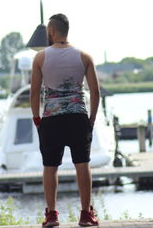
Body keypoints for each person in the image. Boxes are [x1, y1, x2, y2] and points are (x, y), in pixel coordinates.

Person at [30, 13, 100, 227]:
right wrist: (92, 119)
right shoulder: (84, 56)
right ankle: (86, 215)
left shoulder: (40, 57)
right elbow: (95, 92)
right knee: (82, 164)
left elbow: (34, 92)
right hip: (78, 117)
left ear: (51, 31)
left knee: (50, 167)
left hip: (52, 119)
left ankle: (51, 215)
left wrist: (37, 118)